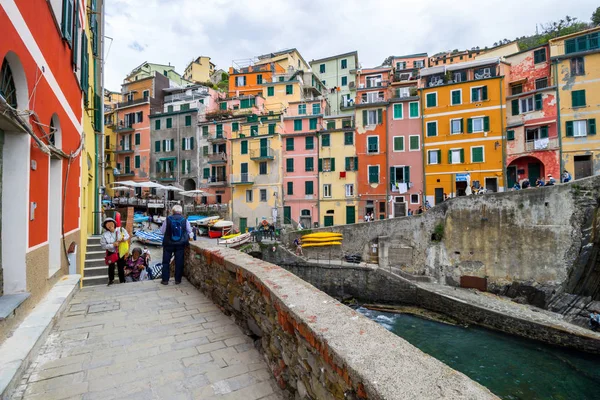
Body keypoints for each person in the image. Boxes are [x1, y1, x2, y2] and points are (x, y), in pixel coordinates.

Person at [160, 205, 193, 285]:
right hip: (180, 244)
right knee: (179, 261)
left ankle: (165, 280)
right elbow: (190, 232)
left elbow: (162, 231)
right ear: (181, 212)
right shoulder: (185, 220)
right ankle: (177, 280)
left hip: (168, 244)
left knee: (166, 262)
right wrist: (191, 238)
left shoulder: (167, 219)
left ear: (173, 211)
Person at [100, 217, 130, 286]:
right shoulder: (104, 235)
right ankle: (111, 280)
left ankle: (122, 280)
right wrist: (112, 245)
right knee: (111, 267)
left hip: (120, 251)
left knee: (121, 267)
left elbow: (127, 236)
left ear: (114, 223)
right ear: (106, 226)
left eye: (111, 224)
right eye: (108, 225)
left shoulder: (120, 229)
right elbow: (103, 246)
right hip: (111, 252)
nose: (110, 226)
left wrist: (123, 239)